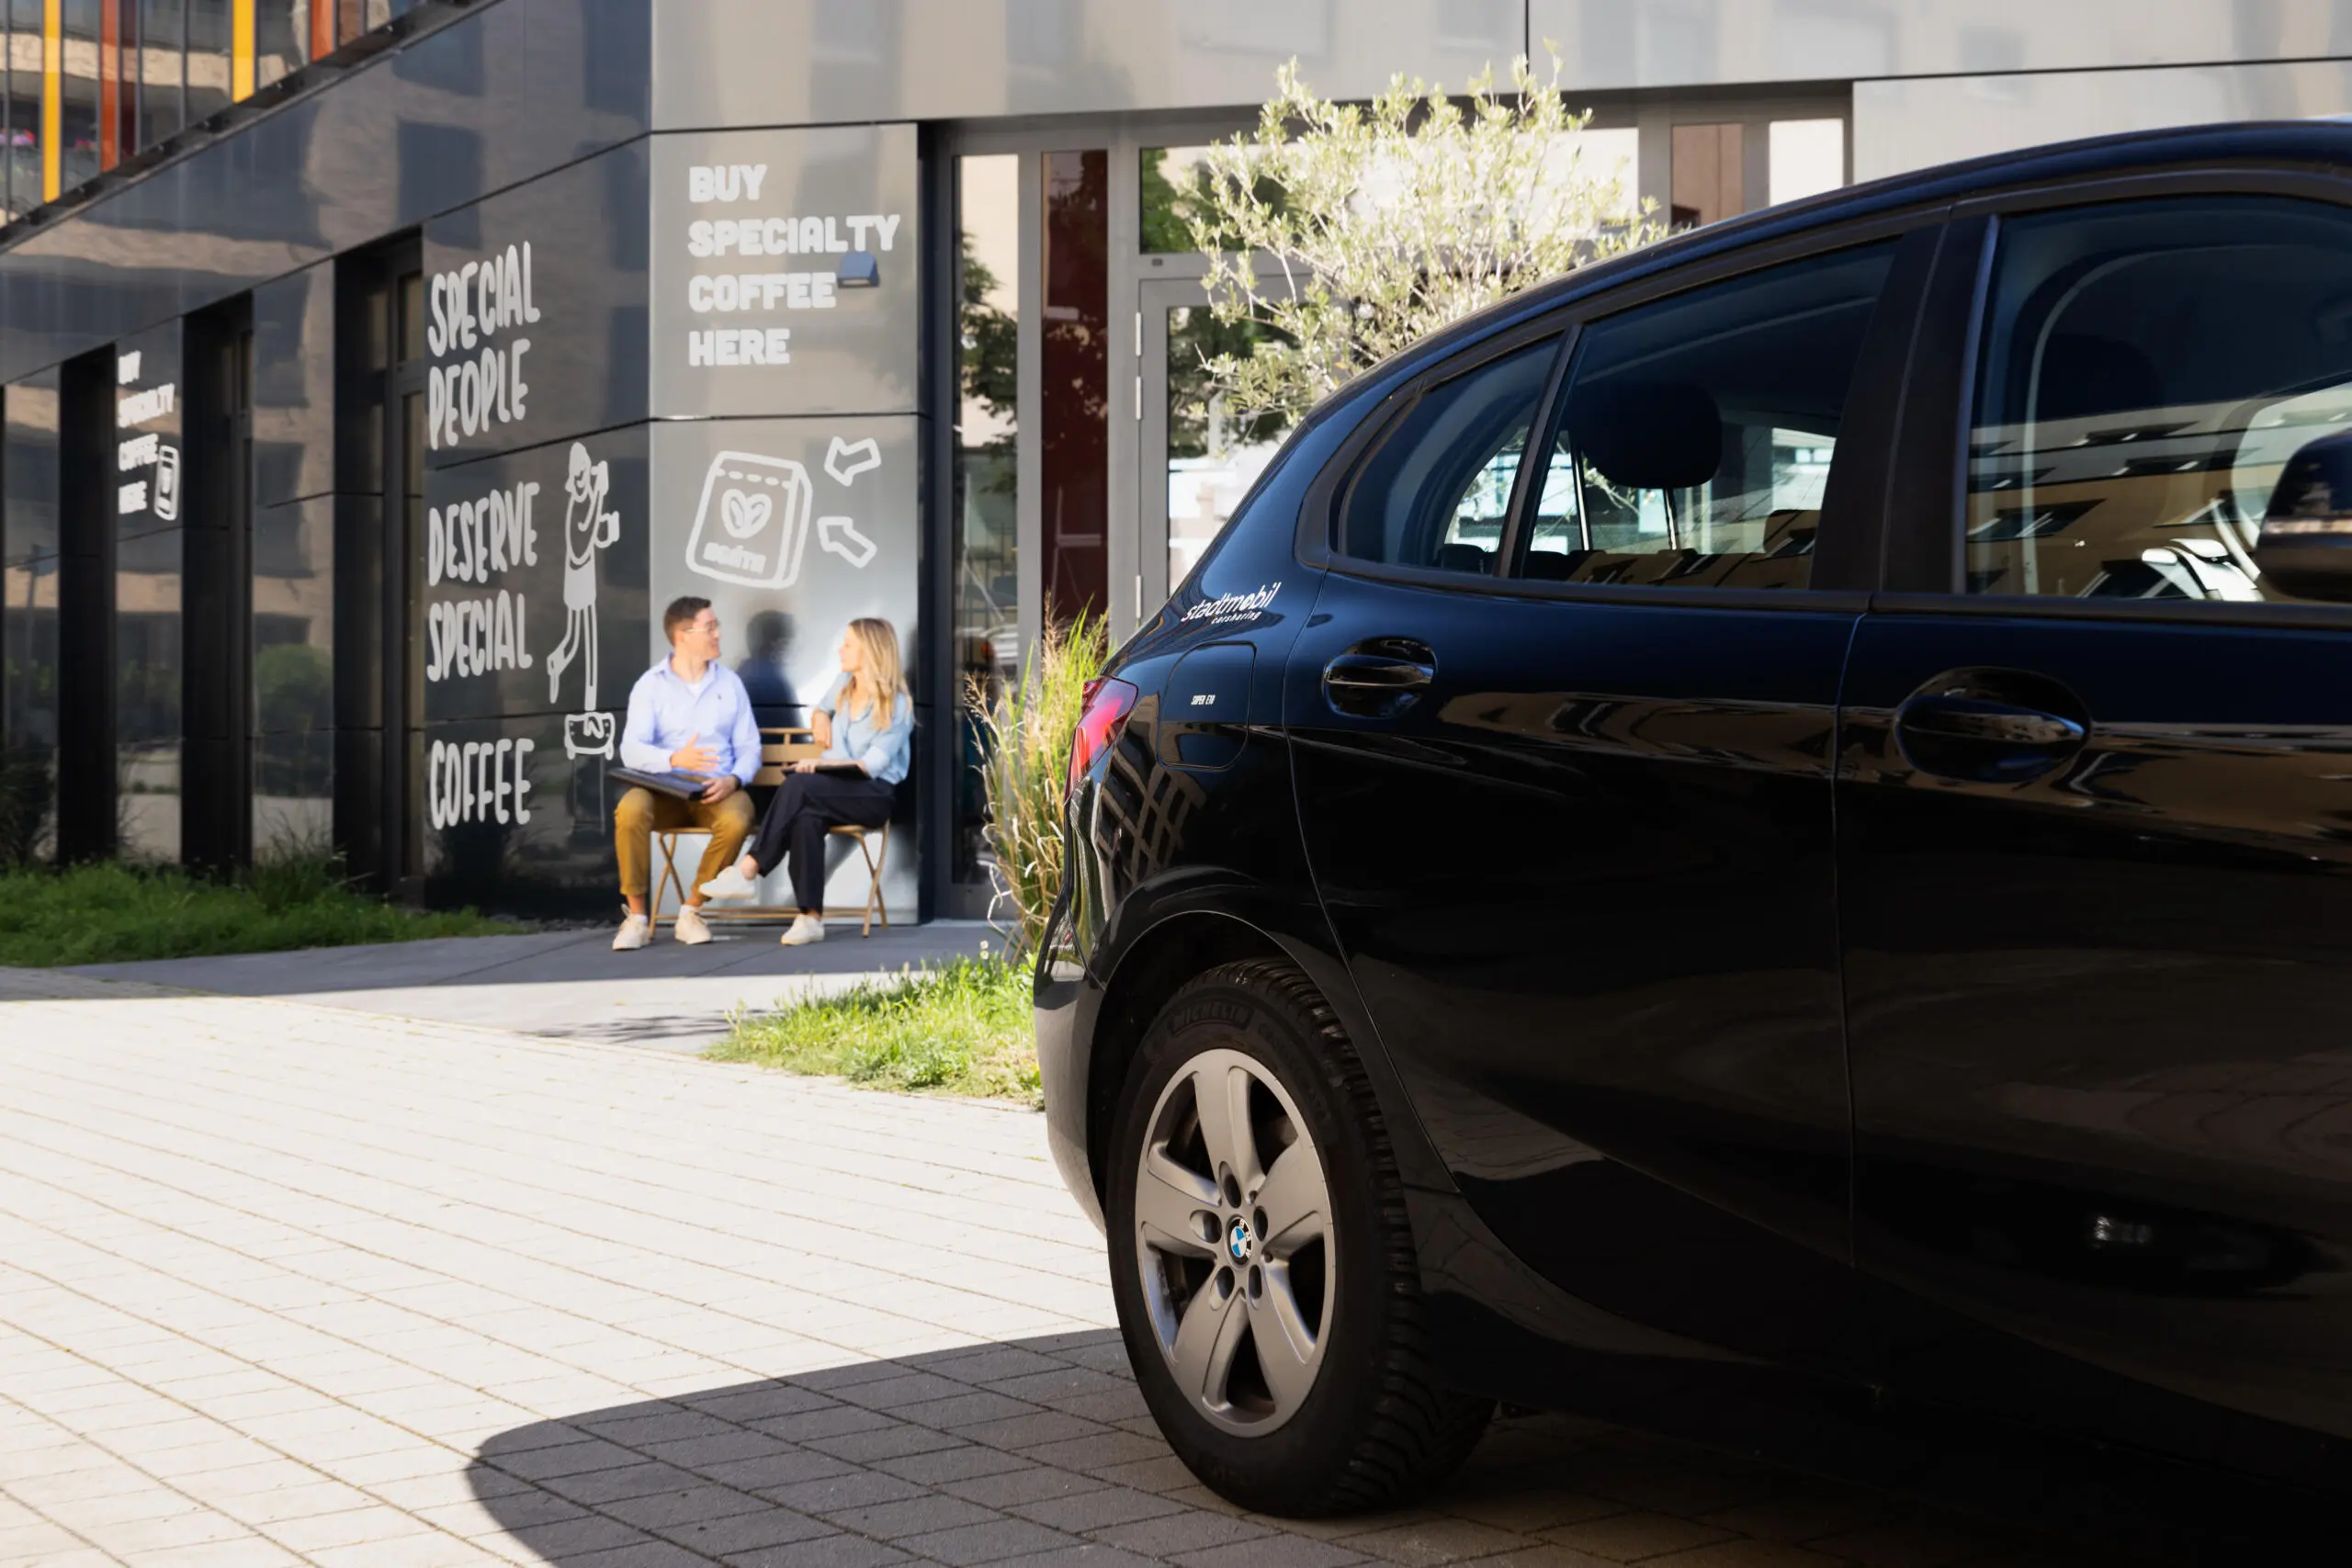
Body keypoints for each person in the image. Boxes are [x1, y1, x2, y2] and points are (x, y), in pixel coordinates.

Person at [699, 616, 910, 946]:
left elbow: (873, 765)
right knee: (806, 819)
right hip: (833, 791)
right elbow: (821, 708)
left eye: (849, 644)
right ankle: (810, 917)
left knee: (797, 783)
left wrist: (822, 764)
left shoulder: (897, 705)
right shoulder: (844, 683)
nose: (841, 649)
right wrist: (820, 715)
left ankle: (749, 869)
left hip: (872, 796)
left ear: (870, 651)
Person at [610, 596, 760, 952]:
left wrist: (733, 779)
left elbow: (750, 748)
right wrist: (676, 758)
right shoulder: (651, 685)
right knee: (630, 809)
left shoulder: (730, 684)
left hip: (717, 788)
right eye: (710, 627)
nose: (718, 633)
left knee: (738, 819)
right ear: (683, 636)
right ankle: (636, 918)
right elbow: (631, 751)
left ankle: (691, 911)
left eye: (716, 625)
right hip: (665, 789)